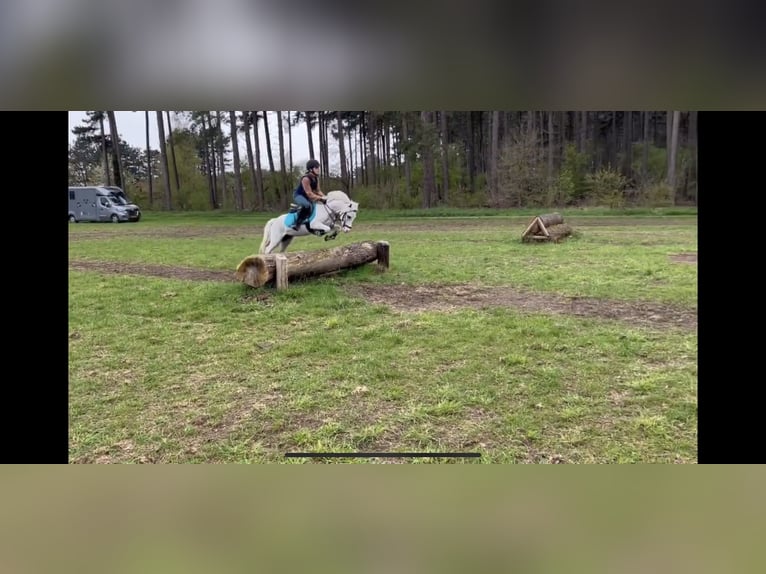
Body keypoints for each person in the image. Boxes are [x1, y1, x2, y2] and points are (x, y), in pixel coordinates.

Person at [290, 159, 326, 230]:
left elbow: (318, 191)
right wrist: (320, 198)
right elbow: (309, 193)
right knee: (307, 205)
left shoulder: (316, 178)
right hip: (299, 195)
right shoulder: (306, 179)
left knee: (315, 206)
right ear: (310, 169)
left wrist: (325, 197)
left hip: (307, 196)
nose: (318, 169)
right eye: (316, 168)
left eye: (319, 167)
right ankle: (297, 224)